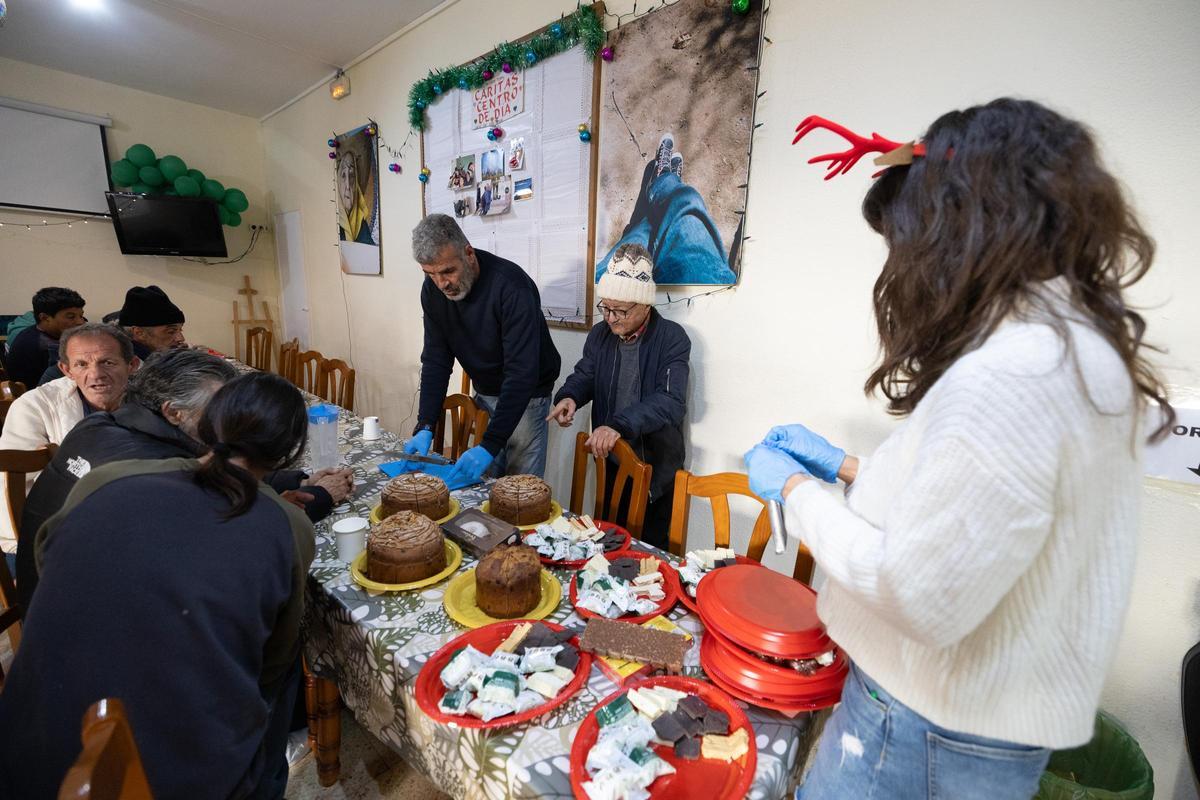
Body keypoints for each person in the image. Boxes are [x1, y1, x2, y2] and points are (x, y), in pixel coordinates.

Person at [744, 99, 1174, 800]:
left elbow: (917, 593)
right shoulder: (1064, 346)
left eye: (905, 245)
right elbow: (975, 521)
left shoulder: (1019, 373)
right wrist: (850, 468)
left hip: (920, 728)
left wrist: (798, 493)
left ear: (959, 232)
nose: (902, 267)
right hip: (953, 722)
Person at [0, 371, 314, 798]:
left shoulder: (110, 478)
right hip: (191, 779)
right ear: (288, 454)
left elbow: (48, 553)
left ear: (208, 425)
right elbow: (273, 657)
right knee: (289, 666)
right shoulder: (285, 523)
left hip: (23, 744)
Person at [15, 348, 353, 609]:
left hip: (47, 607)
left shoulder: (104, 425)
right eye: (221, 408)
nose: (231, 418)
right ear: (174, 412)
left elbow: (218, 468)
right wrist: (317, 497)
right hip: (103, 632)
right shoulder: (154, 468)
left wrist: (294, 480)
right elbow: (237, 536)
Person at [548, 243, 690, 548]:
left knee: (648, 551)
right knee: (608, 542)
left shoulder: (672, 338)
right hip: (611, 461)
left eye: (621, 311)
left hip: (655, 468)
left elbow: (671, 401)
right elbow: (586, 374)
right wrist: (569, 396)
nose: (611, 318)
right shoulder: (600, 334)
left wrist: (618, 425)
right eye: (606, 307)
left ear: (645, 305)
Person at [406, 214, 561, 483]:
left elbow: (521, 373)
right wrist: (426, 424)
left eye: (448, 271)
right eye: (430, 274)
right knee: (483, 486)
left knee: (519, 491)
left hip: (527, 395)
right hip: (486, 392)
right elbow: (436, 360)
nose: (441, 284)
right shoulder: (432, 292)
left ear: (469, 254)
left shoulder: (511, 286)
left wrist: (490, 444)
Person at [0, 323, 137, 568]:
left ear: (132, 365)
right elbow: (13, 491)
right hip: (45, 537)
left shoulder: (154, 402)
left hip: (128, 526)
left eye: (108, 362)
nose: (96, 374)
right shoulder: (35, 407)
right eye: (81, 364)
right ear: (66, 370)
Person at [595, 134, 736, 285]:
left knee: (679, 206)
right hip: (708, 284)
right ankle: (665, 185)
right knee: (678, 210)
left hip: (613, 284)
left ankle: (662, 181)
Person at [4, 287, 86, 388]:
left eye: (81, 316)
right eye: (71, 317)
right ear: (44, 318)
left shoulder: (50, 334)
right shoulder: (38, 345)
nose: (80, 322)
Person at [118, 284, 187, 358]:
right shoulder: (126, 363)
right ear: (139, 333)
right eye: (171, 332)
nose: (181, 338)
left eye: (180, 330)